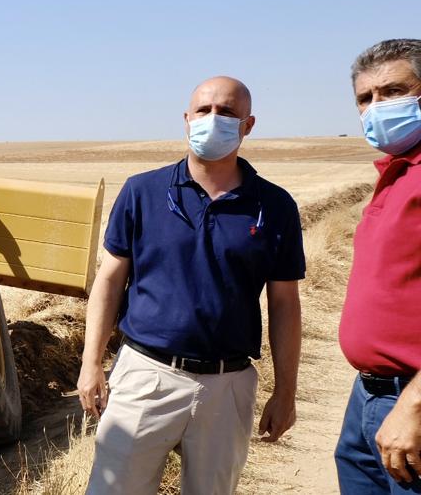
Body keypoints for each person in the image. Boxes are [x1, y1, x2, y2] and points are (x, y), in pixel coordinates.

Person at [78, 76, 304, 494]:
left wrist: (286, 391)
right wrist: (91, 362)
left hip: (229, 384)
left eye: (227, 113)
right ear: (186, 119)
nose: (212, 119)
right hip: (146, 376)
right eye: (204, 110)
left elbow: (286, 303)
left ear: (248, 125)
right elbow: (109, 280)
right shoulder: (142, 192)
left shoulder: (274, 207)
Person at [336, 39, 421, 493]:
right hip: (370, 393)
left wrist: (414, 405)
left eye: (392, 91)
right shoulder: (398, 171)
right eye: (365, 99)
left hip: (410, 400)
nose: (376, 107)